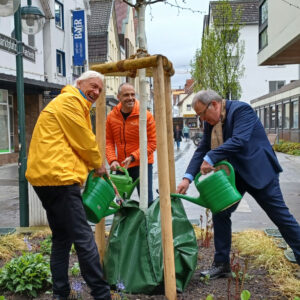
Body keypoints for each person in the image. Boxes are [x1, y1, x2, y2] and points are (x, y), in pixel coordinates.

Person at [176, 89, 300, 279]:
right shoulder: (212, 121)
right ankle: (222, 264)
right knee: (221, 212)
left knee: (281, 217)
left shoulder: (242, 111)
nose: (201, 120)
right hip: (234, 175)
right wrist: (187, 178)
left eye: (201, 114)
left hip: (259, 171)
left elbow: (239, 141)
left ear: (215, 105)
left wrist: (211, 157)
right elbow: (203, 148)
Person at [26, 71, 112, 300]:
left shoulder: (71, 103)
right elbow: (83, 139)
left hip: (46, 178)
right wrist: (98, 164)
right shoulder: (70, 101)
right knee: (84, 238)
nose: (96, 92)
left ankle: (60, 293)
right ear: (79, 83)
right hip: (59, 178)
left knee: (62, 237)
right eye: (93, 86)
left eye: (100, 90)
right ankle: (102, 294)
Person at [106, 82, 156, 206]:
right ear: (118, 97)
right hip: (122, 165)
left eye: (133, 94)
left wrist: (134, 156)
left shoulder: (145, 115)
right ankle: (124, 224)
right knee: (120, 202)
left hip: (143, 164)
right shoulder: (112, 117)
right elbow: (109, 141)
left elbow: (153, 143)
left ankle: (147, 224)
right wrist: (112, 160)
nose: (130, 98)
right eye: (126, 95)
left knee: (147, 202)